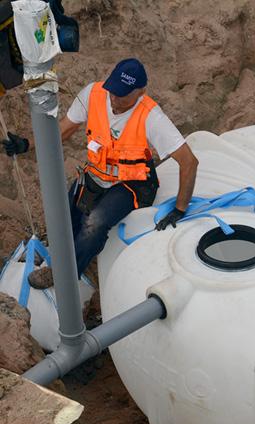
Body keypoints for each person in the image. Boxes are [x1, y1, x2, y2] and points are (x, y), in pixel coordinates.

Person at [2, 58, 198, 289]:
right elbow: (65, 128)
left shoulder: (151, 117)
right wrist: (27, 144)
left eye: (123, 95)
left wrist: (179, 209)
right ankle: (54, 254)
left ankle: (64, 275)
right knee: (66, 211)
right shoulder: (94, 94)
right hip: (97, 174)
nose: (114, 99)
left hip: (133, 183)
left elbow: (189, 162)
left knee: (94, 223)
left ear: (141, 92)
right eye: (112, 91)